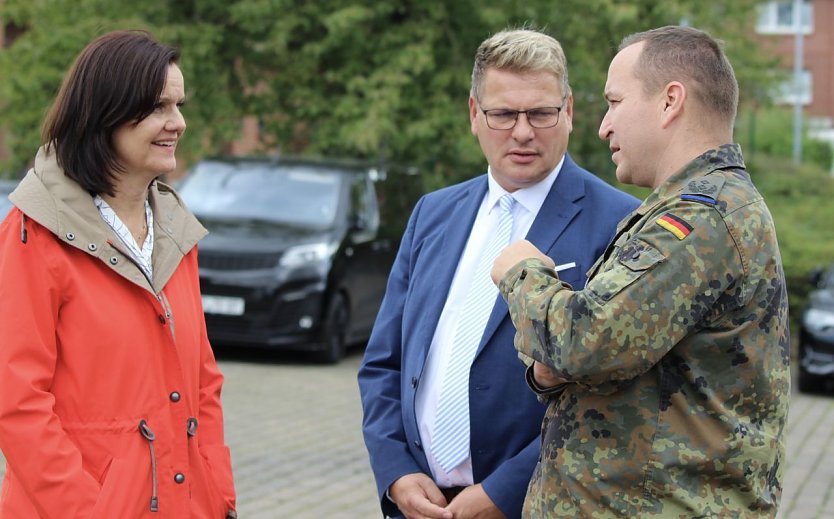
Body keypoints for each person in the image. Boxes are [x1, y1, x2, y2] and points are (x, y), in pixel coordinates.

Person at [491, 25, 790, 518]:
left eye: (614, 102)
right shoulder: (691, 209)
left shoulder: (702, 217)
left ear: (670, 101)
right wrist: (556, 366)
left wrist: (521, 271)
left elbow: (585, 340)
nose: (604, 126)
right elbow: (611, 353)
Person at [358, 28, 639, 519]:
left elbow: (612, 398)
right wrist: (395, 471)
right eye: (504, 114)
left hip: (533, 504)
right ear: (474, 114)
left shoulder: (621, 223)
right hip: (417, 503)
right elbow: (385, 362)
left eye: (541, 113)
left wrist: (504, 493)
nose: (523, 132)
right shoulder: (433, 213)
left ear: (569, 111)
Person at [0, 30, 237, 518]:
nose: (178, 123)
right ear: (104, 112)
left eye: (179, 104)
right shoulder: (33, 233)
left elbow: (203, 382)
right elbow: (17, 399)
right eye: (158, 107)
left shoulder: (175, 232)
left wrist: (217, 491)